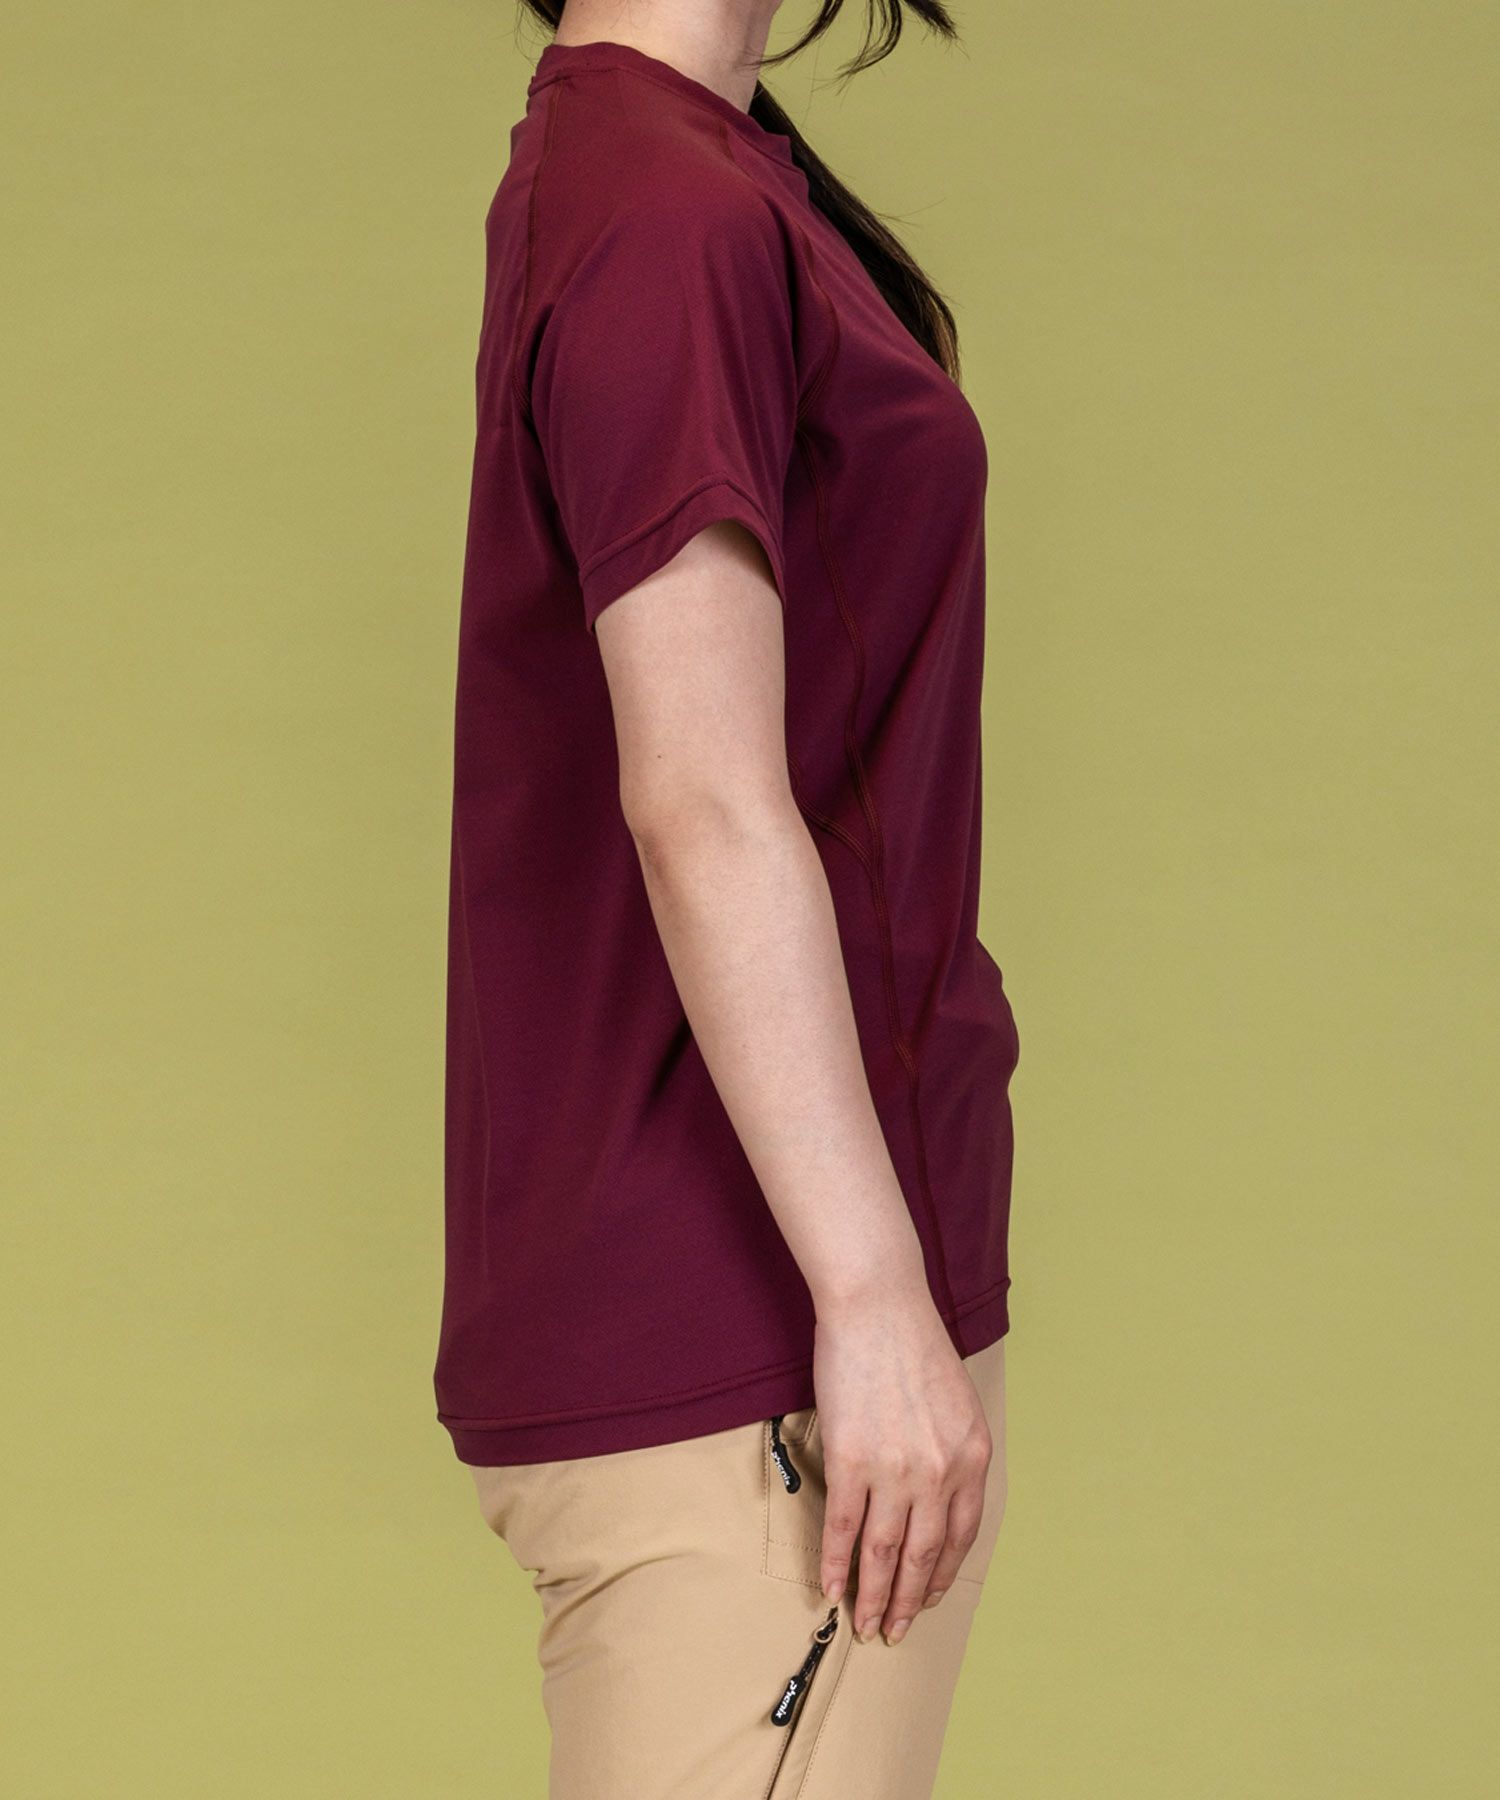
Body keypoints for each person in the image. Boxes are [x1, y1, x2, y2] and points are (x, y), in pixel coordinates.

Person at [432, 1, 1022, 1792]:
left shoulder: (692, 168)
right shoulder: (661, 206)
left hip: (793, 1308)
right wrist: (870, 1296)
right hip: (753, 1337)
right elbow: (697, 795)